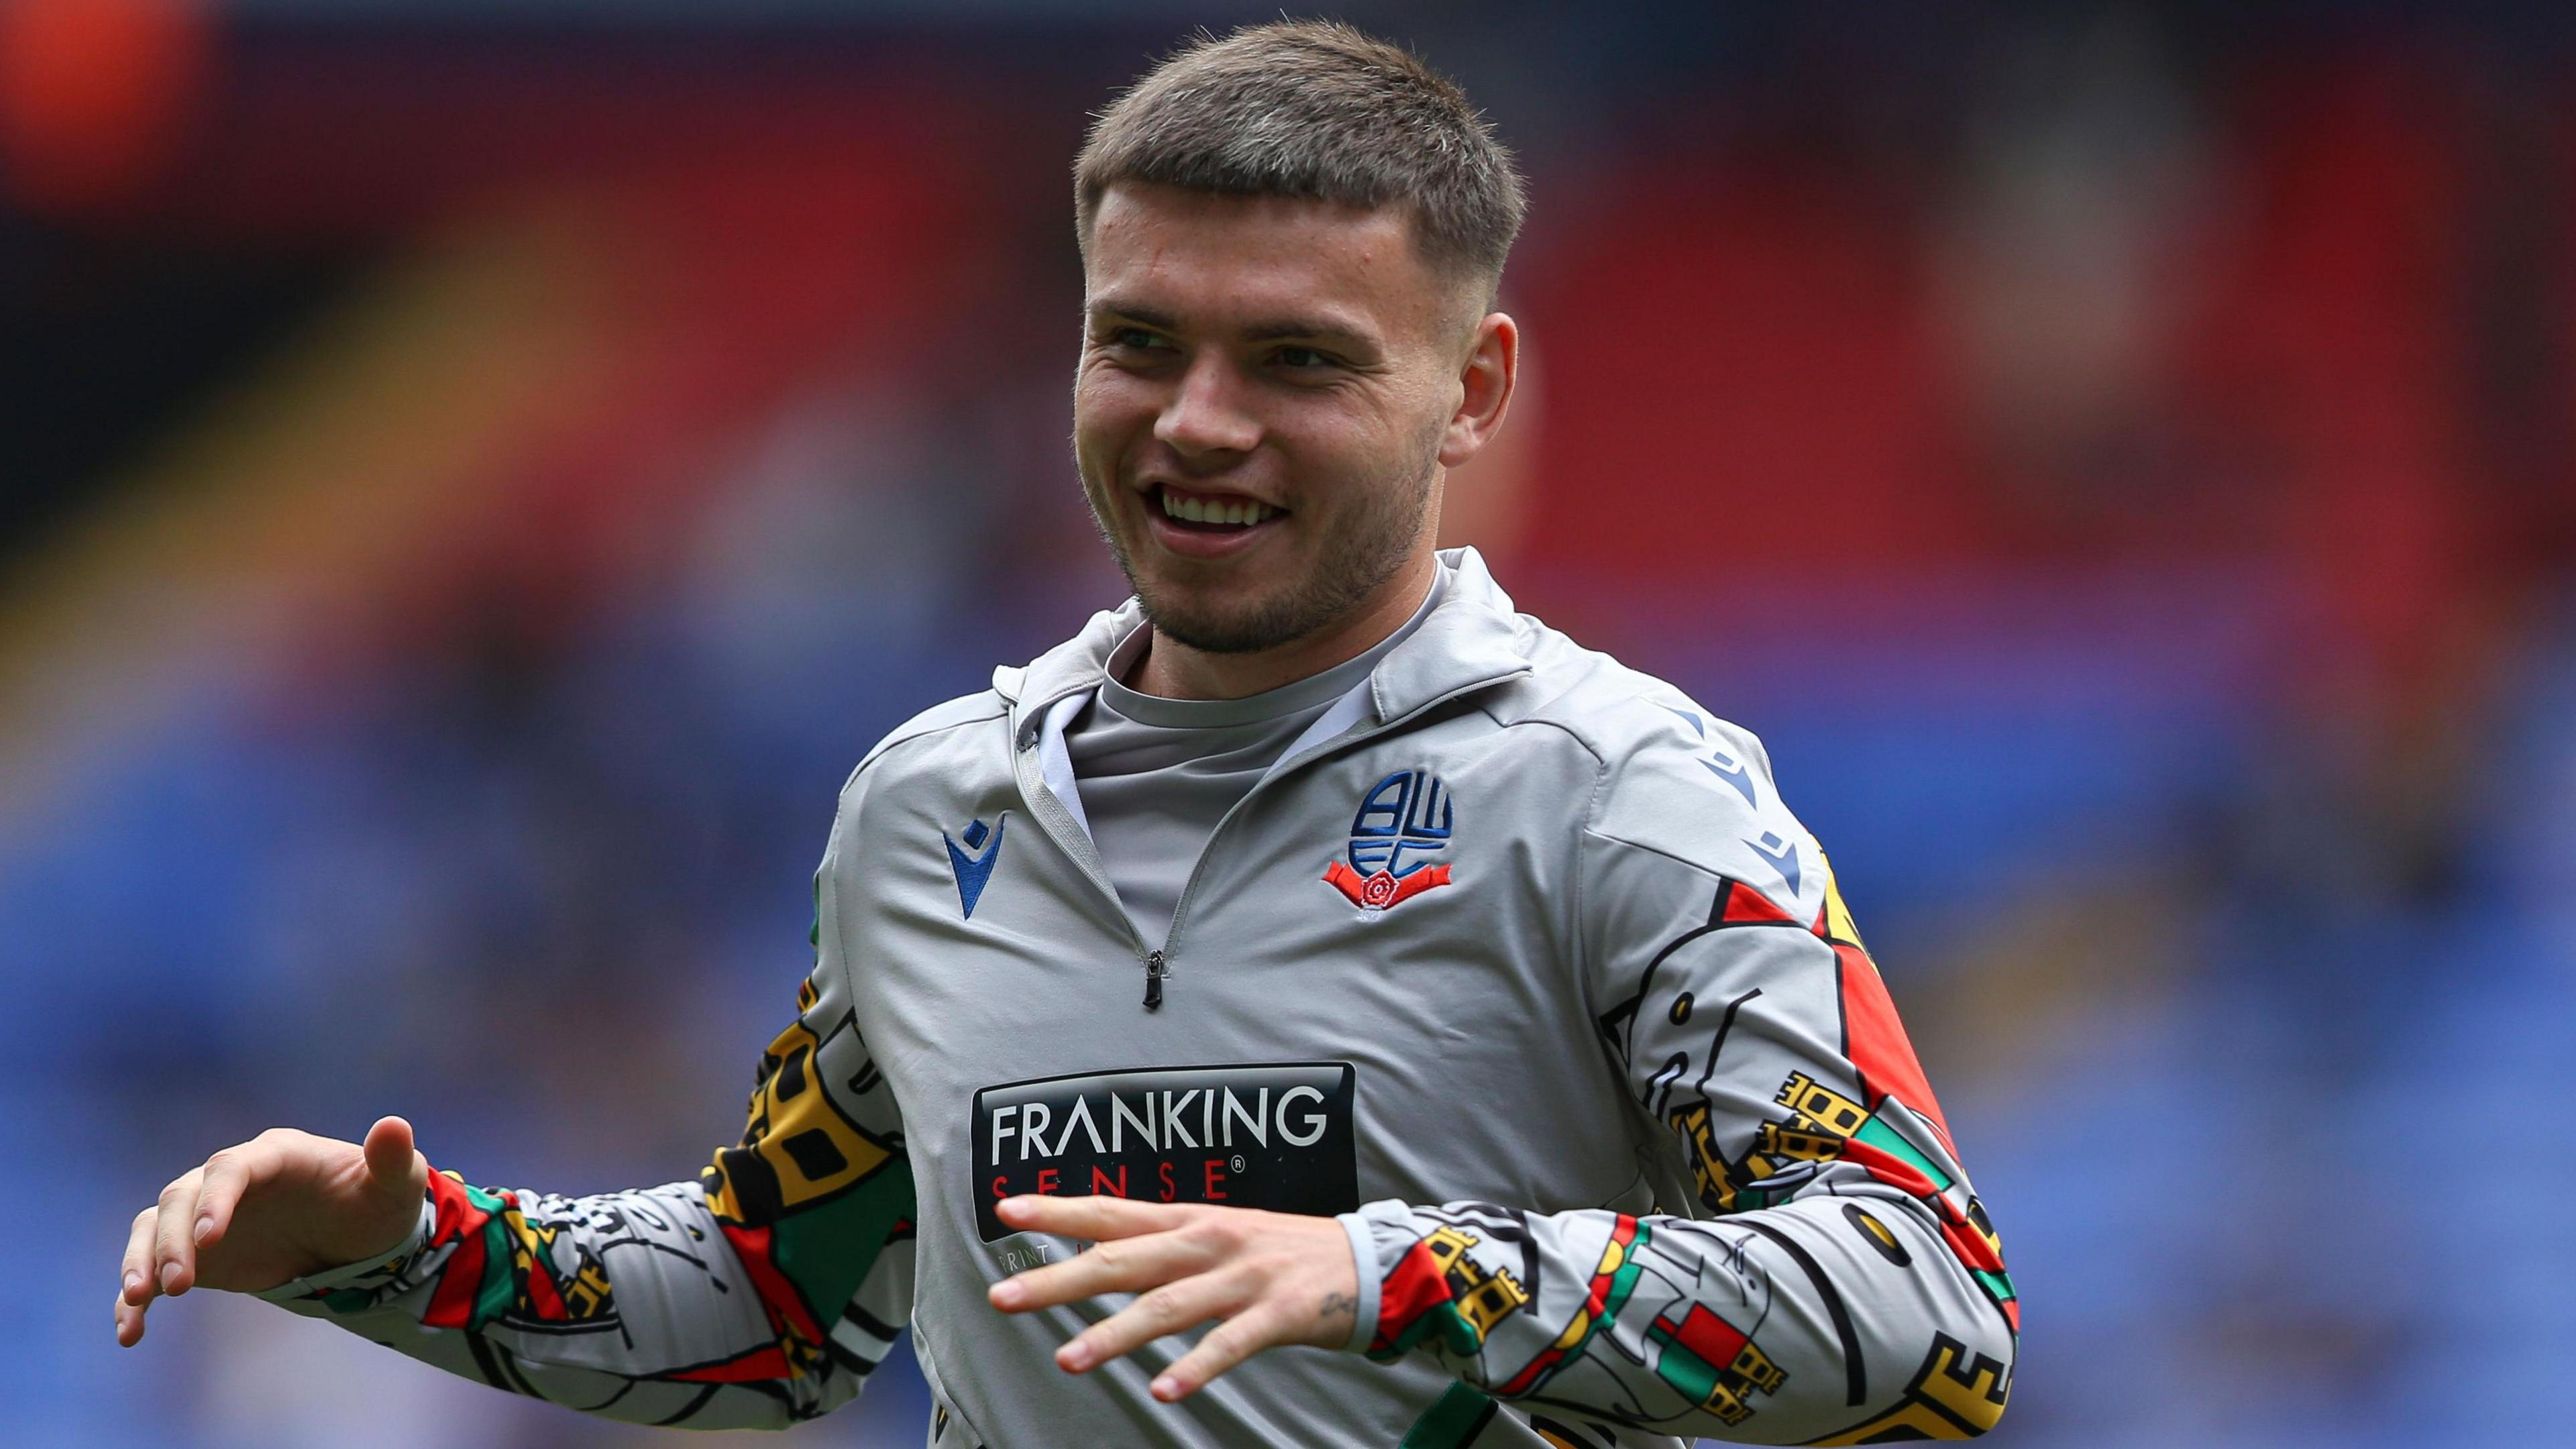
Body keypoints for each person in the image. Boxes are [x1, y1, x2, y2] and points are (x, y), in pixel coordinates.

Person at [113, 21, 2016, 1447]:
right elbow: (777, 1305)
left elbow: (1927, 1310)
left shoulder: (1627, 795)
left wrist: (1388, 1270)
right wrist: (400, 1250)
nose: (1198, 420)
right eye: (1142, 343)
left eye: (1298, 359)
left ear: (1472, 389)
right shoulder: (932, 807)